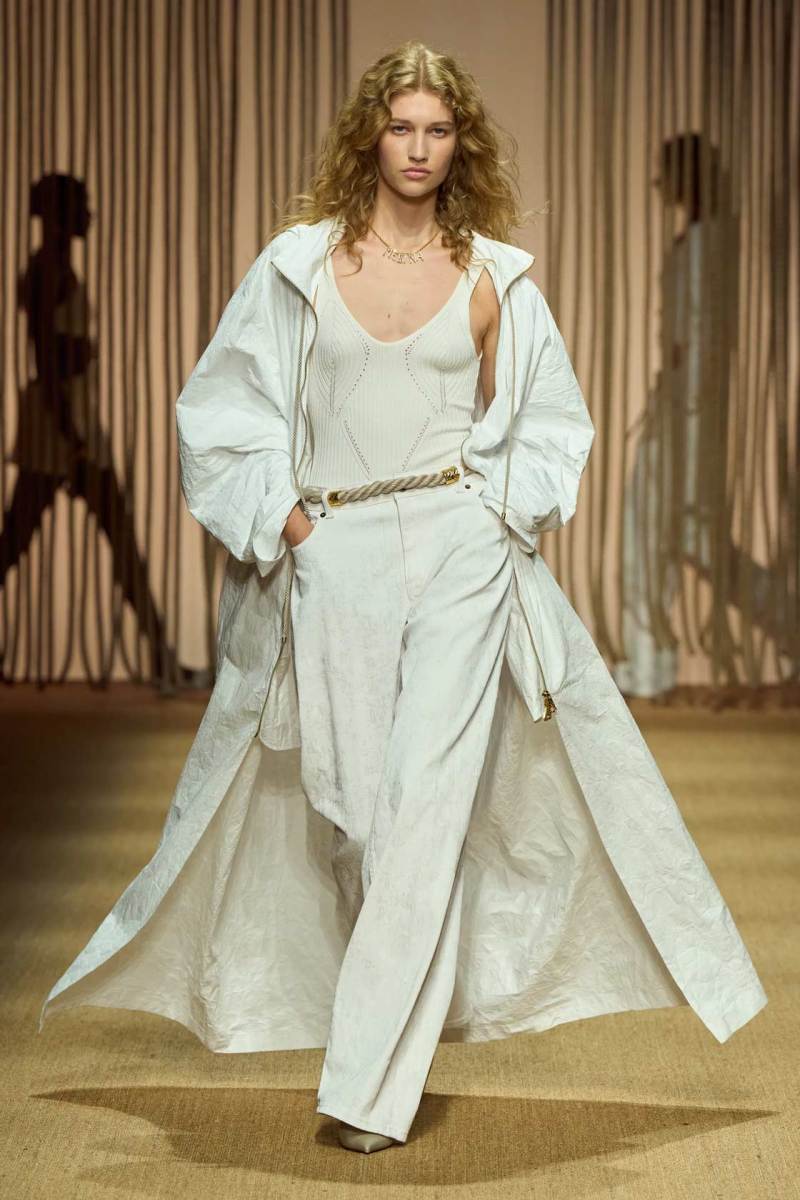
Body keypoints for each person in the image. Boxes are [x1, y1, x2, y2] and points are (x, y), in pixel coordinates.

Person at [38, 41, 767, 1157]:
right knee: (362, 815)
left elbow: (550, 422)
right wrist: (290, 524)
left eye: (438, 130)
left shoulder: (492, 278)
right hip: (335, 554)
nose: (419, 149)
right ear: (368, 138)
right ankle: (381, 1045)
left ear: (459, 142)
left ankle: (368, 1089)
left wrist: (497, 517)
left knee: (426, 810)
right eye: (401, 128)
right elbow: (220, 408)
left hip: (460, 551)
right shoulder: (297, 266)